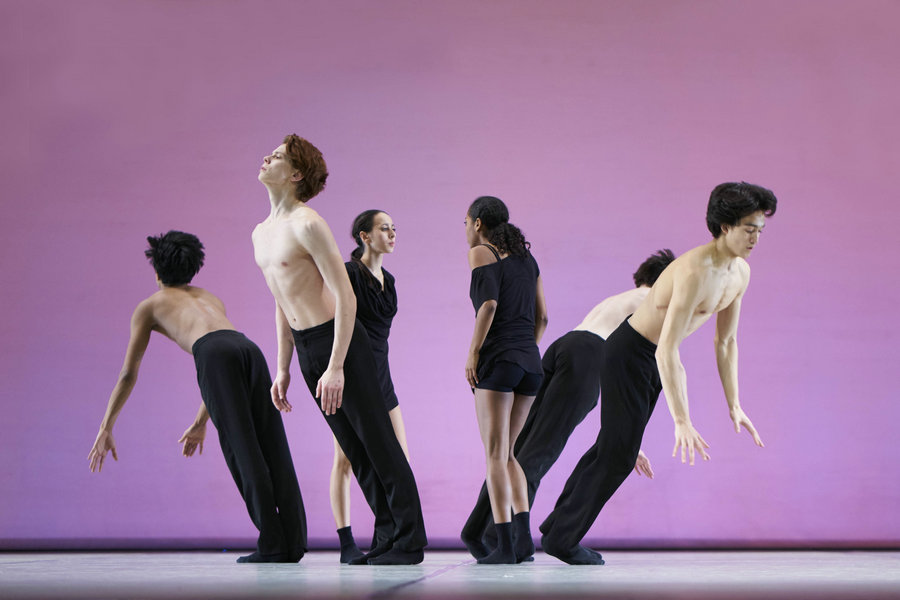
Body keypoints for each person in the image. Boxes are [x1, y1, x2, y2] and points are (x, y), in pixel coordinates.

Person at [539, 182, 777, 565]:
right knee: (619, 454)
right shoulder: (693, 270)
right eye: (749, 229)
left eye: (760, 230)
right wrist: (681, 420)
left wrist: (734, 404)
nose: (756, 238)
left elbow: (725, 342)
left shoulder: (740, 274)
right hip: (629, 351)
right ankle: (562, 538)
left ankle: (557, 527)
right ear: (725, 226)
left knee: (612, 447)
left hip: (650, 357)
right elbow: (668, 346)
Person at [251, 134, 426, 565]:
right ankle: (387, 536)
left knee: (380, 444)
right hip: (307, 349)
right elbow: (281, 299)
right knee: (355, 450)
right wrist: (283, 368)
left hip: (339, 344)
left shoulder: (309, 223)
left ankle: (409, 541)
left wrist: (335, 366)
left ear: (295, 174)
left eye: (277, 156)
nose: (266, 156)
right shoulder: (260, 233)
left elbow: (345, 297)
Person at [87, 231, 307, 564]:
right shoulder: (209, 296)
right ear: (193, 267)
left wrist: (106, 426)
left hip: (214, 354)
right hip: (248, 348)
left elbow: (128, 375)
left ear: (157, 273)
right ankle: (294, 540)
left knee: (242, 450)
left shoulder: (149, 306)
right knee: (272, 444)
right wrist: (200, 422)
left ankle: (273, 544)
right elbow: (224, 363)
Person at [461, 249, 675, 559]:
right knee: (538, 454)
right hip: (590, 357)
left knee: (514, 451)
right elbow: (632, 367)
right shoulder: (655, 303)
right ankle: (500, 538)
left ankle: (478, 530)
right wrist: (630, 434)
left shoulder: (622, 298)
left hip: (563, 346)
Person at [464, 196, 549, 564]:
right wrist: (524, 348)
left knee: (495, 456)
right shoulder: (527, 260)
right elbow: (543, 317)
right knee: (510, 454)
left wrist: (473, 353)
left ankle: (505, 546)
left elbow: (488, 305)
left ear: (479, 223)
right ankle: (524, 542)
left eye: (466, 222)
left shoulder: (482, 252)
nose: (466, 229)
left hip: (499, 362)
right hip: (531, 364)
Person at [330, 209, 411, 563]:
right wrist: (335, 369)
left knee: (399, 462)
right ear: (364, 236)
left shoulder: (389, 279)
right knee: (346, 461)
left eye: (394, 228)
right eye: (384, 228)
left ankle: (388, 536)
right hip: (354, 377)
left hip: (383, 376)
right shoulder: (348, 274)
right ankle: (347, 541)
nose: (392, 234)